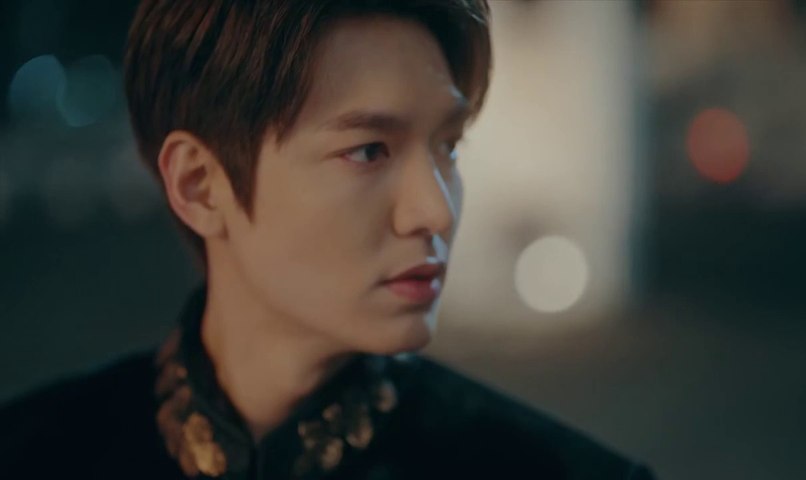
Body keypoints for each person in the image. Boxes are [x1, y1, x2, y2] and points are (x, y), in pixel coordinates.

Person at [0, 1, 655, 478]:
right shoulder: (34, 453)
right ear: (201, 185)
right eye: (368, 150)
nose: (435, 210)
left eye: (448, 146)